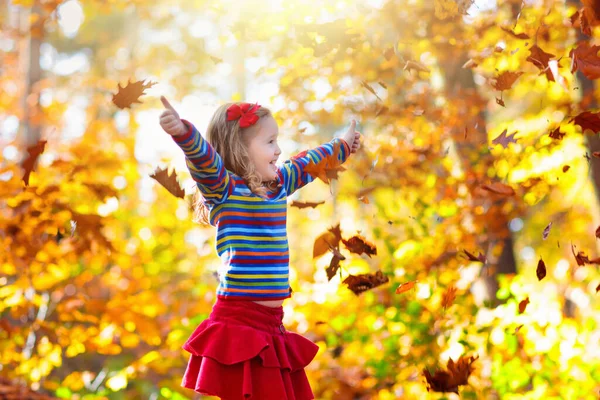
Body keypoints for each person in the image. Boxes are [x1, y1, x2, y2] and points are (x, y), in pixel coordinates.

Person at [159, 96, 361, 400]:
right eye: (269, 142)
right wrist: (183, 133)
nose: (278, 150)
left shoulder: (278, 185)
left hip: (271, 324)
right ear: (241, 150)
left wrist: (342, 145)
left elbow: (309, 162)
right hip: (239, 322)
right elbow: (203, 160)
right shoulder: (224, 188)